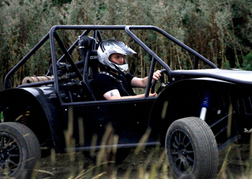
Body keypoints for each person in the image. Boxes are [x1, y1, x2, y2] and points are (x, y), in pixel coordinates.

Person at [93, 39, 161, 100]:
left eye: (122, 56)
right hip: (116, 112)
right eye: (117, 57)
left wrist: (152, 76)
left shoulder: (122, 75)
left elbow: (143, 82)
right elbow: (116, 99)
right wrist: (144, 96)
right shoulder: (103, 79)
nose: (122, 60)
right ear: (106, 59)